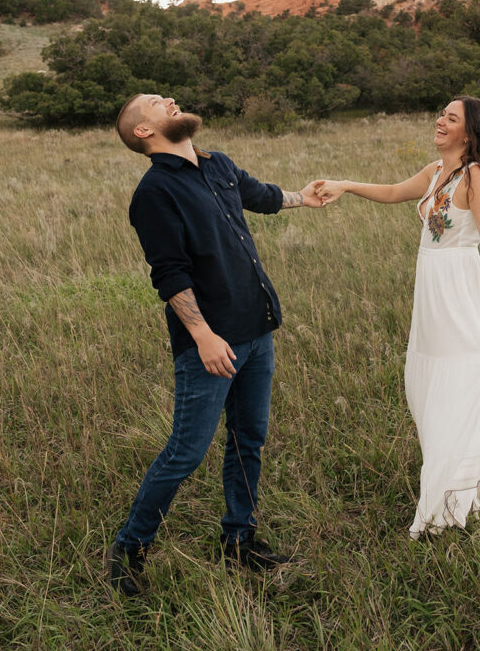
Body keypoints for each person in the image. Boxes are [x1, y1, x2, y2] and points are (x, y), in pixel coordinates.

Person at [106, 92, 324, 595]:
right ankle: (130, 548)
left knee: (249, 439)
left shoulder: (217, 164)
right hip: (210, 342)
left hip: (256, 327)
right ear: (144, 131)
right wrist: (202, 335)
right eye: (158, 102)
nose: (171, 100)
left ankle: (239, 540)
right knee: (187, 450)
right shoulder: (154, 193)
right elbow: (169, 273)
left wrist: (303, 198)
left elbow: (262, 196)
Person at [315, 96, 480, 537]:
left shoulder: (477, 176)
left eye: (450, 119)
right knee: (426, 387)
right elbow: (395, 193)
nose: (440, 121)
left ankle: (444, 503)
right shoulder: (436, 172)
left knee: (459, 385)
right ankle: (455, 485)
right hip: (432, 293)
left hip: (461, 291)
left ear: (469, 133)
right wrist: (345, 184)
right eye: (442, 114)